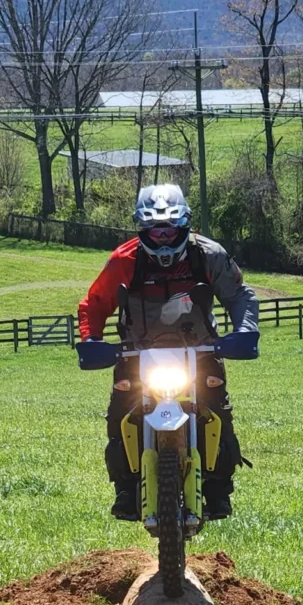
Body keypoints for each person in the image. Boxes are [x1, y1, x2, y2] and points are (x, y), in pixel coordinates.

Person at [78, 183, 259, 521]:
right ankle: (125, 488)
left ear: (183, 226)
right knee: (120, 413)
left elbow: (239, 295)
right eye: (154, 230)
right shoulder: (123, 261)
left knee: (219, 410)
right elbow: (94, 303)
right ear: (142, 229)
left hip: (200, 348)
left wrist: (245, 330)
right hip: (136, 352)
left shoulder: (208, 254)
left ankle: (220, 489)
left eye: (169, 230)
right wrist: (91, 340)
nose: (162, 238)